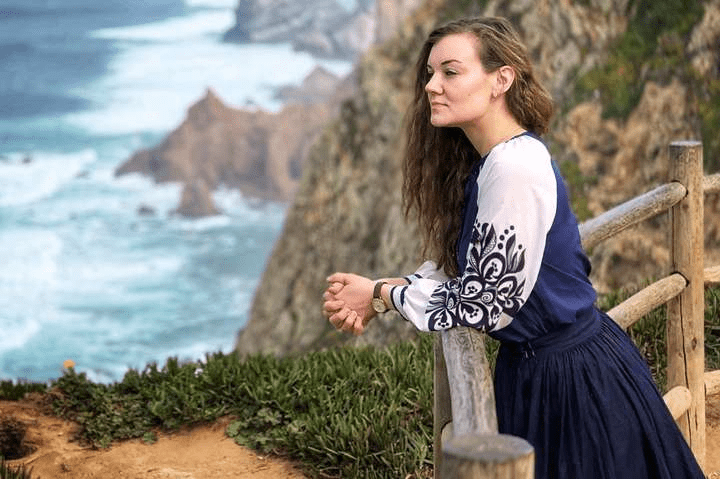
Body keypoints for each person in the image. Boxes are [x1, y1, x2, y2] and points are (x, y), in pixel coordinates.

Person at [321, 16, 706, 479]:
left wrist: (383, 295)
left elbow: (486, 304)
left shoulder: (513, 169)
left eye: (450, 72)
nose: (431, 86)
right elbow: (475, 265)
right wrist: (388, 289)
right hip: (546, 372)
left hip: (571, 384)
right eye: (430, 73)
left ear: (501, 79)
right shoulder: (495, 160)